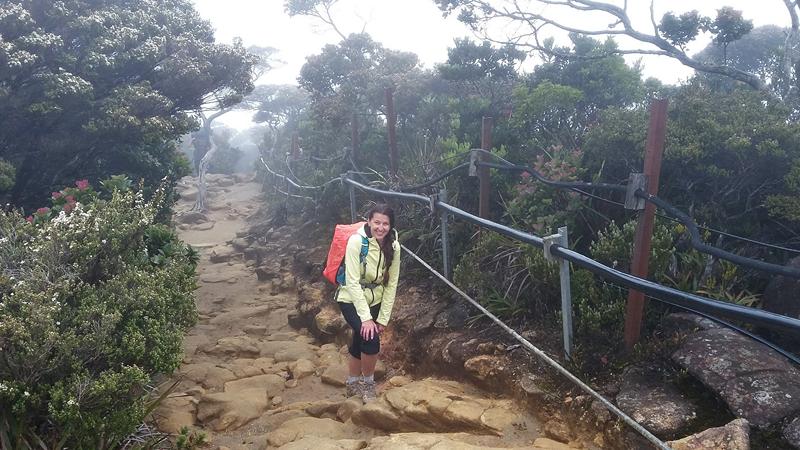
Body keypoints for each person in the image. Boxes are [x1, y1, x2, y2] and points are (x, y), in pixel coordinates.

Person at [335, 204, 400, 402]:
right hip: (350, 298)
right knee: (370, 339)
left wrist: (382, 318)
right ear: (369, 221)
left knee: (360, 338)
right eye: (377, 222)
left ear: (391, 226)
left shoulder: (395, 247)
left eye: (385, 224)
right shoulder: (356, 242)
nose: (381, 228)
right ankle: (369, 386)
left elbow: (392, 283)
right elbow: (352, 282)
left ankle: (353, 383)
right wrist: (366, 319)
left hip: (376, 299)